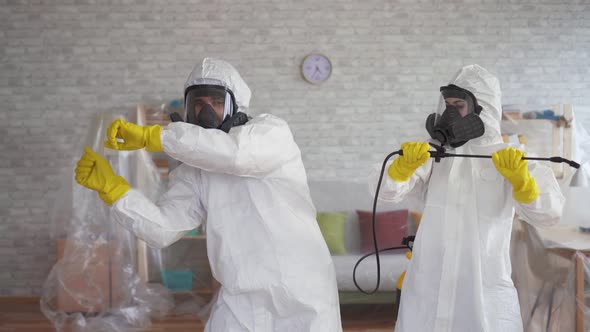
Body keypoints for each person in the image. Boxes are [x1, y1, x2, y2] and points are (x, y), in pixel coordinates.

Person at [75, 58, 342, 331]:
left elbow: (235, 156)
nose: (206, 112)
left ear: (236, 105)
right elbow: (163, 229)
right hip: (239, 297)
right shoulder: (194, 171)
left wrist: (155, 137)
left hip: (301, 288)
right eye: (198, 104)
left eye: (216, 102)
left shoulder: (269, 133)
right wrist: (115, 190)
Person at [371, 64, 564, 332]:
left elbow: (549, 213)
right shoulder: (434, 155)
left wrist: (523, 183)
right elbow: (385, 192)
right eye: (447, 105)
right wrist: (401, 169)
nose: (450, 114)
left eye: (458, 105)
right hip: (430, 282)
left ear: (482, 109)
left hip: (482, 289)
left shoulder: (513, 157)